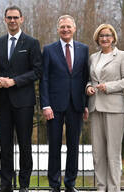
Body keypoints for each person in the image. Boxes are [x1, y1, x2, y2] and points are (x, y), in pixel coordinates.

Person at [0, 5, 42, 192]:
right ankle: (5, 184)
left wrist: (15, 81)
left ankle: (24, 185)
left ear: (22, 19)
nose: (12, 20)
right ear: (5, 19)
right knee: (5, 146)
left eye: (15, 17)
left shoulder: (31, 43)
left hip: (24, 102)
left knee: (25, 145)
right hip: (3, 102)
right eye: (9, 18)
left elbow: (37, 71)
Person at [39, 15, 89, 192]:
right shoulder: (49, 50)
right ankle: (54, 184)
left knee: (74, 146)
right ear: (58, 29)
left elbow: (85, 78)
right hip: (54, 105)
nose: (65, 30)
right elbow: (44, 79)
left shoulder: (83, 49)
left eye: (68, 27)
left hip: (76, 104)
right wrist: (45, 105)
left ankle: (70, 183)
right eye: (62, 27)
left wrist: (86, 105)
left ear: (74, 28)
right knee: (54, 145)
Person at [86, 24, 124, 192]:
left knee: (113, 152)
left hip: (114, 107)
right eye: (101, 36)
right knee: (98, 153)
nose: (104, 38)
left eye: (107, 35)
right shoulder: (93, 57)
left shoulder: (122, 56)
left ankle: (113, 188)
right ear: (97, 39)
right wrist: (88, 87)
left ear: (113, 38)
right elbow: (90, 79)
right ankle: (101, 187)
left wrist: (109, 86)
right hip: (95, 107)